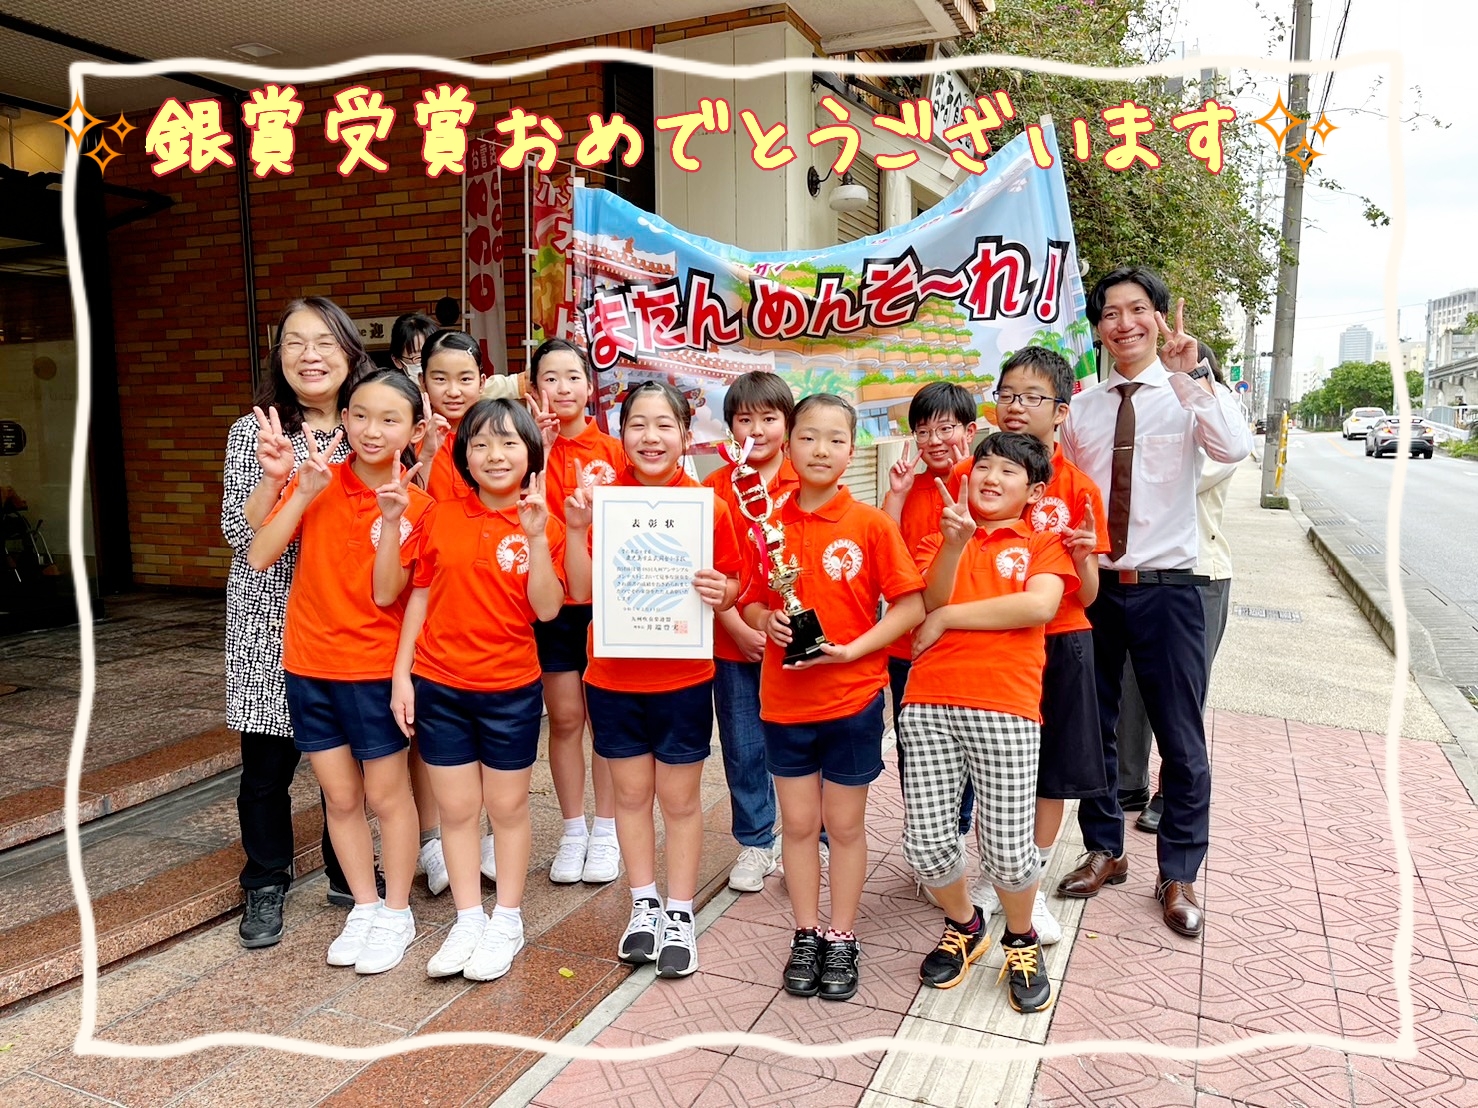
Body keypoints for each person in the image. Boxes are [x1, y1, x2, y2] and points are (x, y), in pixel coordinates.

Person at [1056, 267, 1253, 939]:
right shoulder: (1083, 408)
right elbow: (1071, 496)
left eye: (1137, 309)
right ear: (1099, 327)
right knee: (1098, 727)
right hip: (1099, 589)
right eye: (1110, 313)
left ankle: (1179, 873)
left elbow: (1233, 446)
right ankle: (1105, 850)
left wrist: (1194, 376)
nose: (1124, 323)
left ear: (1159, 317)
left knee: (1181, 737)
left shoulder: (1187, 393)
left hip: (1171, 589)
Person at [247, 369, 433, 974]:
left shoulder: (420, 507)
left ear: (414, 430)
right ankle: (364, 904)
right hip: (307, 663)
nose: (370, 430)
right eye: (358, 415)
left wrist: (389, 521)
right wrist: (295, 489)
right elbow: (258, 553)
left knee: (386, 794)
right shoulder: (318, 477)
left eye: (388, 419)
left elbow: (387, 596)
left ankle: (398, 912)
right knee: (340, 794)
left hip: (375, 669)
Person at [743, 394, 925, 1002]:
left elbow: (909, 604)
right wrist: (763, 618)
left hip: (852, 698)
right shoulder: (765, 522)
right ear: (789, 445)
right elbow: (750, 598)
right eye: (809, 438)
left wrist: (855, 650)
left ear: (854, 449)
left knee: (843, 825)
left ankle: (842, 934)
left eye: (835, 440)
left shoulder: (871, 525)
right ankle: (805, 932)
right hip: (784, 702)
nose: (821, 450)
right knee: (797, 824)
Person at [565, 380, 744, 979]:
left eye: (663, 424)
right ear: (621, 438)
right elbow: (583, 589)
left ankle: (679, 910)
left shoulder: (707, 507)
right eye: (637, 424)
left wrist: (724, 592)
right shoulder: (604, 506)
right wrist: (571, 529)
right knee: (631, 796)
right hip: (612, 677)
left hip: (683, 677)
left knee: (679, 799)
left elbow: (735, 580)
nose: (650, 436)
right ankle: (643, 905)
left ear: (685, 437)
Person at [901, 432, 1077, 1013]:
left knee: (1005, 850)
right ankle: (965, 923)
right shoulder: (937, 537)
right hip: (928, 702)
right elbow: (928, 600)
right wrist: (954, 546)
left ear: (1034, 490)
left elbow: (1039, 606)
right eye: (983, 466)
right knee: (926, 846)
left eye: (1008, 470)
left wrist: (952, 616)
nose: (991, 477)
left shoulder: (1042, 543)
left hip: (1007, 707)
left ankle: (1021, 938)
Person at [391, 399, 565, 981]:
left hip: (510, 689)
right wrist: (402, 675)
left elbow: (547, 609)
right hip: (440, 685)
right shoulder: (439, 516)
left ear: (530, 452)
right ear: (464, 454)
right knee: (459, 810)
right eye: (482, 444)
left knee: (508, 808)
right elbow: (416, 595)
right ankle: (469, 919)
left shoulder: (545, 522)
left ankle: (507, 920)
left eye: (509, 443)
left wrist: (537, 537)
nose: (495, 455)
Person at [223, 295, 371, 950]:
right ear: (278, 357)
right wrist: (277, 479)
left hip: (345, 620)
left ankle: (349, 868)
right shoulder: (253, 431)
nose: (310, 356)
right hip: (266, 617)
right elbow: (239, 530)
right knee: (266, 765)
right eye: (294, 343)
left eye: (324, 342)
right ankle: (265, 878)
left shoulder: (369, 427)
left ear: (349, 353)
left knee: (355, 759)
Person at [994, 348, 1109, 945]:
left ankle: (1029, 889)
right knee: (992, 768)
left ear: (1061, 411)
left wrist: (1085, 556)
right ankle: (998, 874)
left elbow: (1086, 596)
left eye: (1032, 397)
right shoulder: (977, 474)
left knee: (1051, 774)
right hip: (990, 646)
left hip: (1061, 642)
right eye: (1008, 394)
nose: (1016, 407)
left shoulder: (1078, 487)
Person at [1119, 342, 1241, 835]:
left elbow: (1165, 483)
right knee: (1129, 687)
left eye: (1184, 370)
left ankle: (1172, 795)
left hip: (1200, 577)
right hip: (1137, 575)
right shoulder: (1150, 416)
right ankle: (1129, 782)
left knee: (1179, 697)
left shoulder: (1215, 422)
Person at [526, 339, 624, 885]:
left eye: (572, 377)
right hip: (552, 604)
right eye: (550, 379)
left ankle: (607, 830)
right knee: (564, 719)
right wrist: (533, 454)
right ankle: (572, 830)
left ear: (590, 387)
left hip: (608, 604)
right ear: (534, 387)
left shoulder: (613, 451)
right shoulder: (524, 448)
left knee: (604, 719)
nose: (562, 389)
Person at [880, 382, 979, 901]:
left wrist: (967, 477)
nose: (934, 439)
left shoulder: (988, 483)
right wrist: (895, 494)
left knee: (964, 747)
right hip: (909, 646)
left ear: (970, 430)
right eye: (924, 430)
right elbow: (886, 557)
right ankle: (928, 838)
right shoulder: (910, 488)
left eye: (946, 428)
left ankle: (956, 834)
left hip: (966, 644)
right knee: (914, 748)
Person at [702, 372, 799, 893]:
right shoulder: (714, 486)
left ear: (788, 423)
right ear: (730, 426)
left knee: (804, 742)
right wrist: (736, 627)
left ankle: (813, 840)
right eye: (745, 420)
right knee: (743, 746)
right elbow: (704, 569)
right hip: (731, 639)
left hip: (796, 641)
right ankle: (756, 842)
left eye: (769, 418)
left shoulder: (808, 477)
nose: (756, 430)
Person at [412, 329, 498, 892]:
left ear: (483, 382)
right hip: (425, 599)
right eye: (439, 379)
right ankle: (431, 839)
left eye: (464, 378)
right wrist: (421, 461)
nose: (452, 389)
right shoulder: (408, 440)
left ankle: (482, 831)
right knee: (427, 730)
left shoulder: (493, 439)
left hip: (485, 607)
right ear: (422, 384)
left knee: (489, 727)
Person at [383, 313, 439, 379]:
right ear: (397, 361)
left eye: (434, 353)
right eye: (418, 358)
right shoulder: (393, 389)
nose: (429, 363)